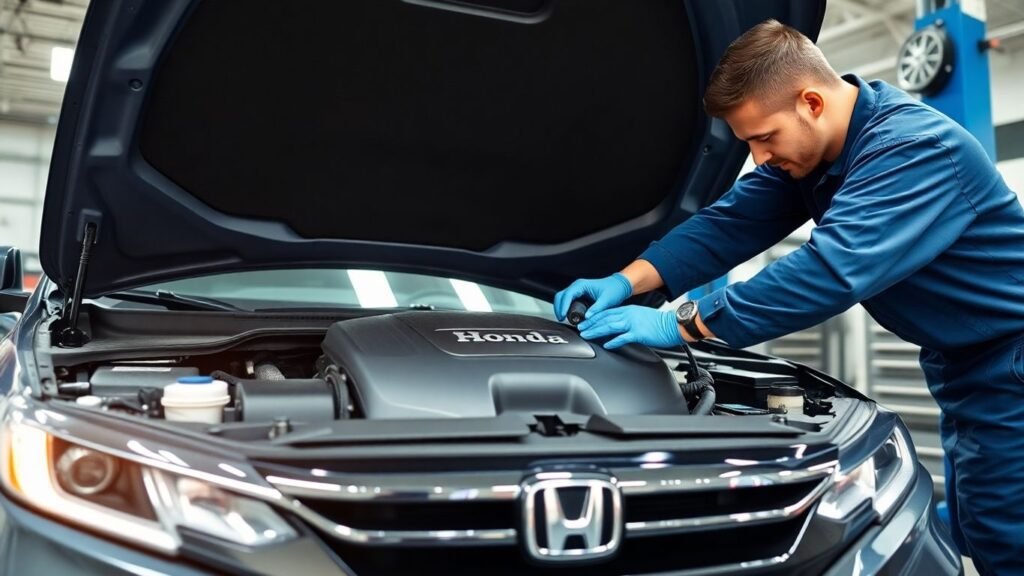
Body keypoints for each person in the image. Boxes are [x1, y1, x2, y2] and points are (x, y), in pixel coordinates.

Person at [554, 19, 1024, 575]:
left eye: (763, 138)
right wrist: (629, 280)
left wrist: (682, 323)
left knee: (1005, 536)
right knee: (978, 521)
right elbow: (730, 222)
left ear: (811, 103)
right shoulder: (821, 154)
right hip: (965, 363)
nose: (757, 157)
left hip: (1010, 362)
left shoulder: (912, 150)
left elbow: (827, 272)